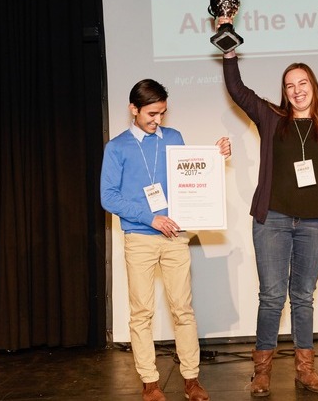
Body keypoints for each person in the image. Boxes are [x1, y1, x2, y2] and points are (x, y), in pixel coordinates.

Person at [218, 18, 318, 397]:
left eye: (303, 83)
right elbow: (238, 90)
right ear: (284, 92)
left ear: (313, 87)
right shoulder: (272, 118)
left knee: (303, 297)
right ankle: (262, 373)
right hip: (273, 220)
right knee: (271, 297)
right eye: (290, 85)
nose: (297, 90)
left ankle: (305, 371)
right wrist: (229, 49)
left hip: (317, 223)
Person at [100, 79, 231, 401]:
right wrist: (150, 218)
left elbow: (191, 176)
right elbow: (108, 197)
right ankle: (150, 382)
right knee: (141, 313)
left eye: (162, 113)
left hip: (175, 237)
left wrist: (216, 157)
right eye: (152, 114)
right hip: (139, 238)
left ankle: (191, 379)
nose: (158, 119)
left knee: (182, 309)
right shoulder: (116, 147)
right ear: (133, 109)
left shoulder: (174, 138)